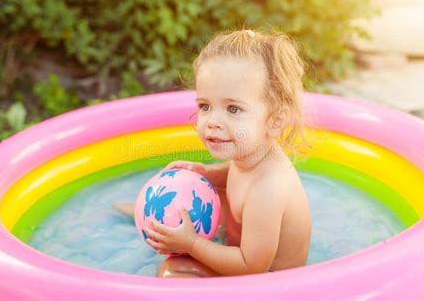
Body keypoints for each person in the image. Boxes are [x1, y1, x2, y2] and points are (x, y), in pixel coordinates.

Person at [113, 29, 311, 278]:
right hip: (243, 248)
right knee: (208, 193)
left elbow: (252, 266)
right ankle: (163, 222)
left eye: (233, 109)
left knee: (171, 273)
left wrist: (192, 245)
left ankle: (176, 234)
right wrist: (206, 174)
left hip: (268, 282)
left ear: (275, 120)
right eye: (205, 106)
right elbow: (238, 173)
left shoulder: (268, 190)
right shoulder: (253, 153)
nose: (212, 121)